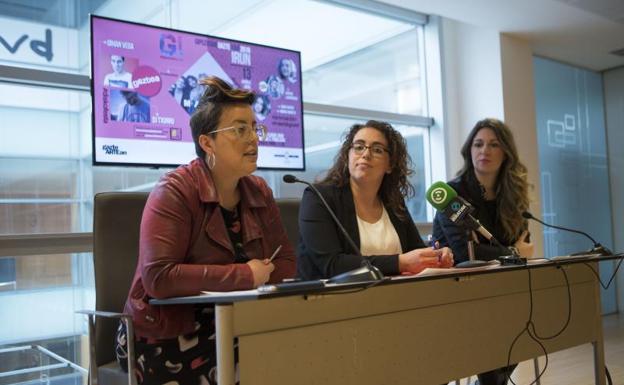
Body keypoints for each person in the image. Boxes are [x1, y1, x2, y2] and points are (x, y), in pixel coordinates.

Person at [115, 76, 296, 385]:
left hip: (236, 319)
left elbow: (288, 264)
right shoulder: (174, 190)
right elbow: (158, 278)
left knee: (302, 339)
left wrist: (256, 277)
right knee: (265, 357)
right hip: (164, 331)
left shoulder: (259, 191)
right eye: (240, 129)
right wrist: (246, 275)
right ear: (207, 142)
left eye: (255, 128)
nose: (254, 138)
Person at [432, 117, 533, 385]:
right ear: (469, 151)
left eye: (493, 145)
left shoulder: (513, 197)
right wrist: (511, 251)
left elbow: (525, 246)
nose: (484, 151)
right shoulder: (452, 194)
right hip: (457, 291)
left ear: (506, 153)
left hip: (500, 291)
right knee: (492, 342)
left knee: (524, 329)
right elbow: (467, 256)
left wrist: (506, 252)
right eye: (478, 144)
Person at [297, 120, 453, 281]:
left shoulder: (393, 202)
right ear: (347, 156)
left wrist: (435, 255)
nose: (365, 154)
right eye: (358, 147)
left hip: (394, 297)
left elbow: (415, 249)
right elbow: (332, 265)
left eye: (377, 150)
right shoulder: (318, 197)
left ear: (390, 164)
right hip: (332, 301)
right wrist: (400, 263)